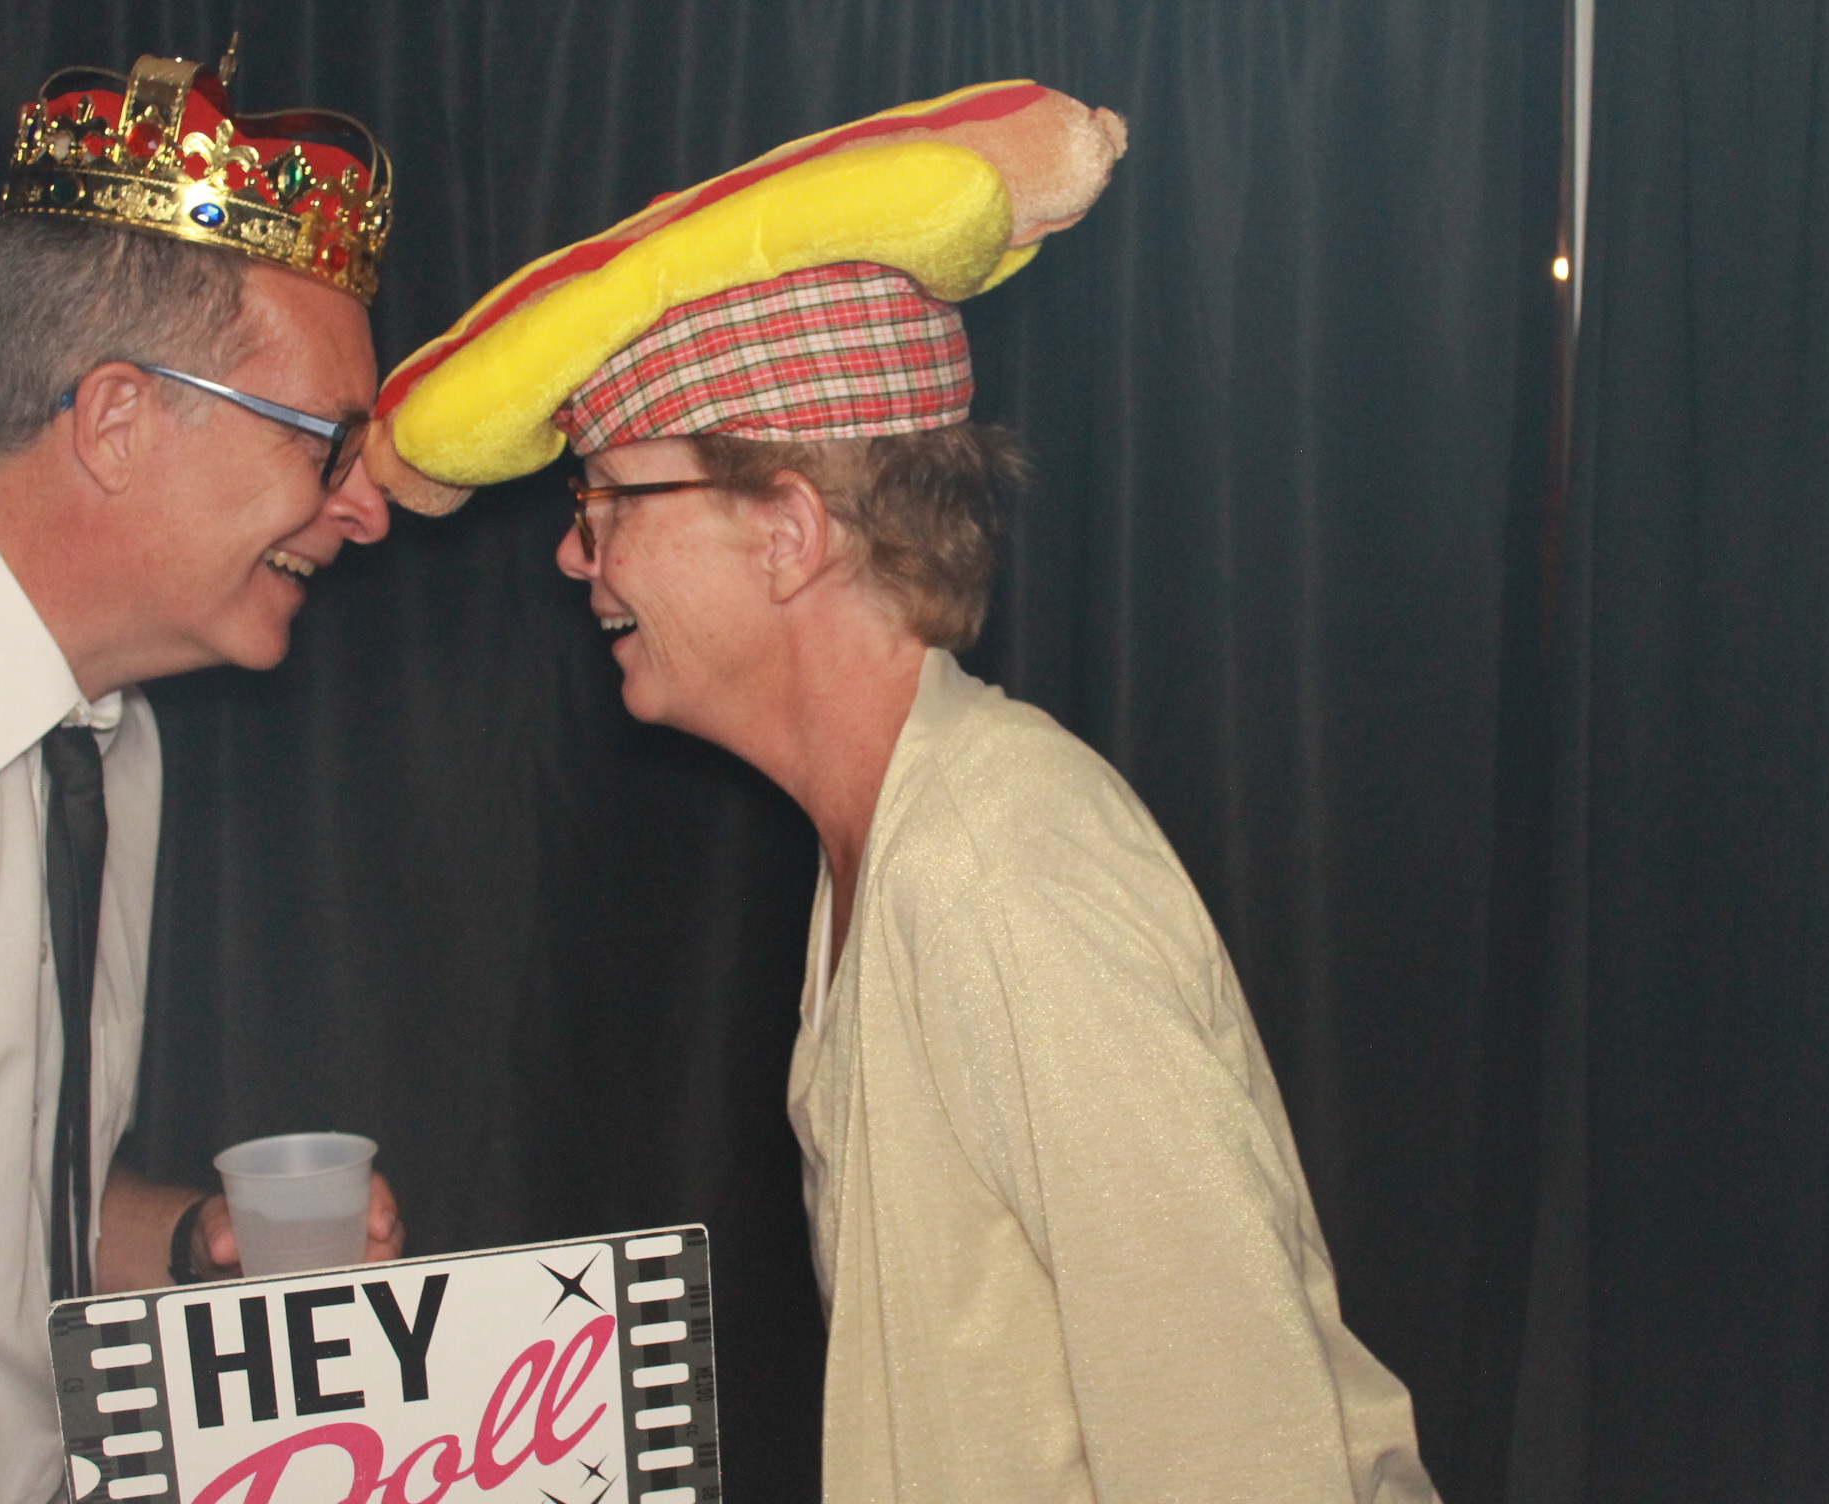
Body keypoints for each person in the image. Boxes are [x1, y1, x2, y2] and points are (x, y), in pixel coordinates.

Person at [366, 86, 1439, 1501]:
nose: (580, 556)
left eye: (611, 497)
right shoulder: (895, 838)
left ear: (789, 531)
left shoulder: (1002, 872)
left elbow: (1240, 1445)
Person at [0, 52, 405, 1504]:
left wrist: (192, 1246)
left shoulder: (107, 742)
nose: (367, 510)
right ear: (119, 418)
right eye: (328, 444)